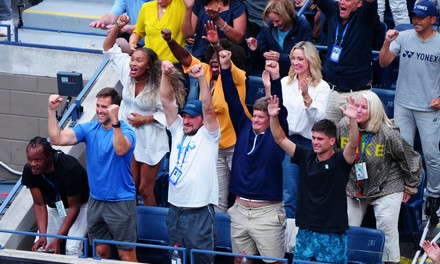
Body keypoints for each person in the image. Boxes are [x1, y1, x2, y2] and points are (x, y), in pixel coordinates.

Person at [161, 23, 250, 213]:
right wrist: (170, 41)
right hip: (214, 146)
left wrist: (217, 44)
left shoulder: (238, 76)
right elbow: (185, 57)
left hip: (237, 145)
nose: (216, 61)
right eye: (212, 59)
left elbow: (225, 59)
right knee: (218, 198)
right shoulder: (206, 71)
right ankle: (218, 238)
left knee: (242, 194)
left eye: (219, 59)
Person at [47, 88, 138, 262]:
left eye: (104, 106)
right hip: (95, 201)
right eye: (97, 105)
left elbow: (120, 149)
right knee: (101, 254)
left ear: (115, 108)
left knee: (126, 255)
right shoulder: (90, 128)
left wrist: (116, 121)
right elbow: (56, 139)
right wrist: (51, 111)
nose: (99, 110)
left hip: (121, 202)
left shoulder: (127, 131)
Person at [103, 15, 185, 206]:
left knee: (145, 189)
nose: (133, 63)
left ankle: (151, 228)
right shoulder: (127, 71)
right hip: (129, 136)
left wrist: (145, 119)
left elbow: (170, 114)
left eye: (139, 61)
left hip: (152, 139)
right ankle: (131, 224)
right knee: (130, 185)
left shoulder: (160, 85)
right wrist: (118, 26)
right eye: (132, 59)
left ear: (148, 66)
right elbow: (108, 47)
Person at [269, 95, 358, 262]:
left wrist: (353, 120)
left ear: (332, 141)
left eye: (320, 139)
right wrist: (273, 117)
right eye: (314, 138)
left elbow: (352, 144)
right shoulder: (305, 155)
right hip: (305, 230)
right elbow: (280, 139)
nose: (315, 142)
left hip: (331, 232)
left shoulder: (340, 161)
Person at [337, 91, 422, 263]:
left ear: (374, 111)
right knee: (346, 224)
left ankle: (390, 261)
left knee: (386, 225)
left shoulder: (388, 132)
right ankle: (348, 259)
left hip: (387, 184)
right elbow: (338, 154)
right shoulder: (344, 126)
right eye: (357, 106)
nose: (358, 110)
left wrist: (410, 186)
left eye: (364, 107)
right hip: (355, 184)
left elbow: (410, 157)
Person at [379, 0, 440, 225]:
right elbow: (384, 63)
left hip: (428, 108)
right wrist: (386, 42)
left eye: (421, 17)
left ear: (433, 20)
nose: (416, 20)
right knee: (401, 153)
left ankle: (434, 196)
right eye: (414, 16)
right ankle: (401, 193)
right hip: (403, 103)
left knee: (432, 156)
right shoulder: (403, 37)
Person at [221, 55, 287, 263]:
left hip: (267, 213)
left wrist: (275, 79)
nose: (256, 120)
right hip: (240, 209)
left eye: (261, 117)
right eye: (255, 115)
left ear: (271, 119)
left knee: (273, 262)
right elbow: (231, 99)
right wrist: (224, 68)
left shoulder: (277, 136)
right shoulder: (244, 128)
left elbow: (279, 108)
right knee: (239, 261)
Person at [160, 61, 220, 264]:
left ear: (202, 120)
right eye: (185, 116)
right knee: (175, 260)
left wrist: (202, 78)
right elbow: (166, 101)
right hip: (175, 210)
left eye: (192, 117)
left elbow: (209, 108)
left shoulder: (209, 135)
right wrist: (165, 75)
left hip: (199, 212)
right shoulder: (177, 130)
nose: (186, 121)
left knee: (201, 261)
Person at [280, 41, 330, 219]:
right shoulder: (285, 82)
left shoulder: (322, 87)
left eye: (300, 58)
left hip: (310, 145)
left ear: (310, 60)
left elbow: (319, 120)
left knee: (309, 194)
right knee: (289, 195)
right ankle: (288, 243)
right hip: (286, 142)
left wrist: (306, 96)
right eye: (293, 58)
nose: (295, 62)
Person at [22, 137, 89, 256]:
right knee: (41, 246)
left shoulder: (69, 167)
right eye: (29, 159)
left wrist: (58, 239)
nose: (33, 164)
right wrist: (43, 235)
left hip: (81, 206)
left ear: (49, 155)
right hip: (55, 206)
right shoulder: (29, 170)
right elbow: (39, 204)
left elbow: (74, 207)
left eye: (38, 160)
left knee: (72, 248)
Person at [315, 0, 377, 123]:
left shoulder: (365, 15)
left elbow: (370, 3)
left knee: (354, 139)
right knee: (327, 139)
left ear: (359, 3)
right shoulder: (334, 9)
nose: (342, 2)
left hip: (356, 95)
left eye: (347, 0)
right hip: (331, 91)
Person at [247, 0, 313, 77]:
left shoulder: (303, 26)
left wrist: (281, 57)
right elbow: (260, 59)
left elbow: (307, 57)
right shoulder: (267, 27)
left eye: (277, 21)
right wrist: (255, 49)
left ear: (287, 15)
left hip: (296, 75)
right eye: (272, 21)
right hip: (272, 74)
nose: (274, 25)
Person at [182, 0, 247, 59]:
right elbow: (187, 34)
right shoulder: (200, 2)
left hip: (227, 56)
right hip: (201, 55)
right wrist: (189, 8)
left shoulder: (236, 5)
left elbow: (238, 38)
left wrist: (218, 20)